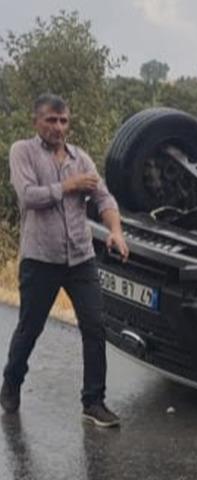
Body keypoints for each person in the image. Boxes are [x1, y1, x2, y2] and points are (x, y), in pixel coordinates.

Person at [0, 93, 128, 427]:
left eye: (64, 121)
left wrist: (115, 230)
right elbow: (29, 197)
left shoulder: (81, 158)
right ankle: (11, 383)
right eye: (51, 120)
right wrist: (68, 185)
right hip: (40, 259)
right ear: (36, 121)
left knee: (95, 325)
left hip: (80, 258)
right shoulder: (22, 151)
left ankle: (94, 401)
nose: (59, 127)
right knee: (30, 327)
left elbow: (104, 197)